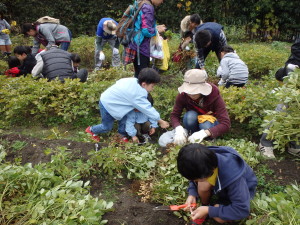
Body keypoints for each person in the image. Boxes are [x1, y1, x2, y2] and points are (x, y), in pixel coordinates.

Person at [177, 143, 257, 224]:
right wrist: (192, 193)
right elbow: (195, 175)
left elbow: (242, 210)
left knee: (219, 218)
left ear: (205, 174)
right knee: (202, 186)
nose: (195, 182)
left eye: (197, 180)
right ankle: (204, 205)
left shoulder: (234, 179)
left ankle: (206, 211)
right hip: (218, 178)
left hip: (245, 188)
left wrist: (209, 210)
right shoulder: (203, 160)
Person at [85, 68, 169, 142]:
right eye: (152, 86)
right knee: (107, 127)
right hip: (107, 104)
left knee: (124, 119)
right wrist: (160, 121)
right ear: (144, 84)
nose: (153, 89)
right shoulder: (137, 94)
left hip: (117, 103)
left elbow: (119, 81)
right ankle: (91, 130)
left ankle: (121, 135)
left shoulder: (134, 80)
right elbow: (148, 109)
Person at [259, 40, 300, 158]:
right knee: (285, 108)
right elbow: (296, 48)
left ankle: (294, 145)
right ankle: (265, 142)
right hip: (296, 72)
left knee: (297, 112)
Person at [170, 69, 230, 146]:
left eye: (195, 91)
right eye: (189, 91)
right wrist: (178, 129)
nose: (191, 94)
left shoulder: (213, 94)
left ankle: (207, 140)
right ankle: (191, 136)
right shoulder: (183, 95)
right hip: (194, 121)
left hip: (209, 124)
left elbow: (226, 124)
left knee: (205, 124)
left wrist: (204, 133)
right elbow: (174, 115)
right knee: (189, 116)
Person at [123, 0, 166, 78]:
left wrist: (155, 27)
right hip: (141, 46)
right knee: (143, 75)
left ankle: (137, 89)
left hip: (134, 43)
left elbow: (140, 25)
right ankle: (141, 89)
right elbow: (146, 31)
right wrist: (157, 30)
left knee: (138, 73)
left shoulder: (141, 3)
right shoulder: (148, 7)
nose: (162, 2)